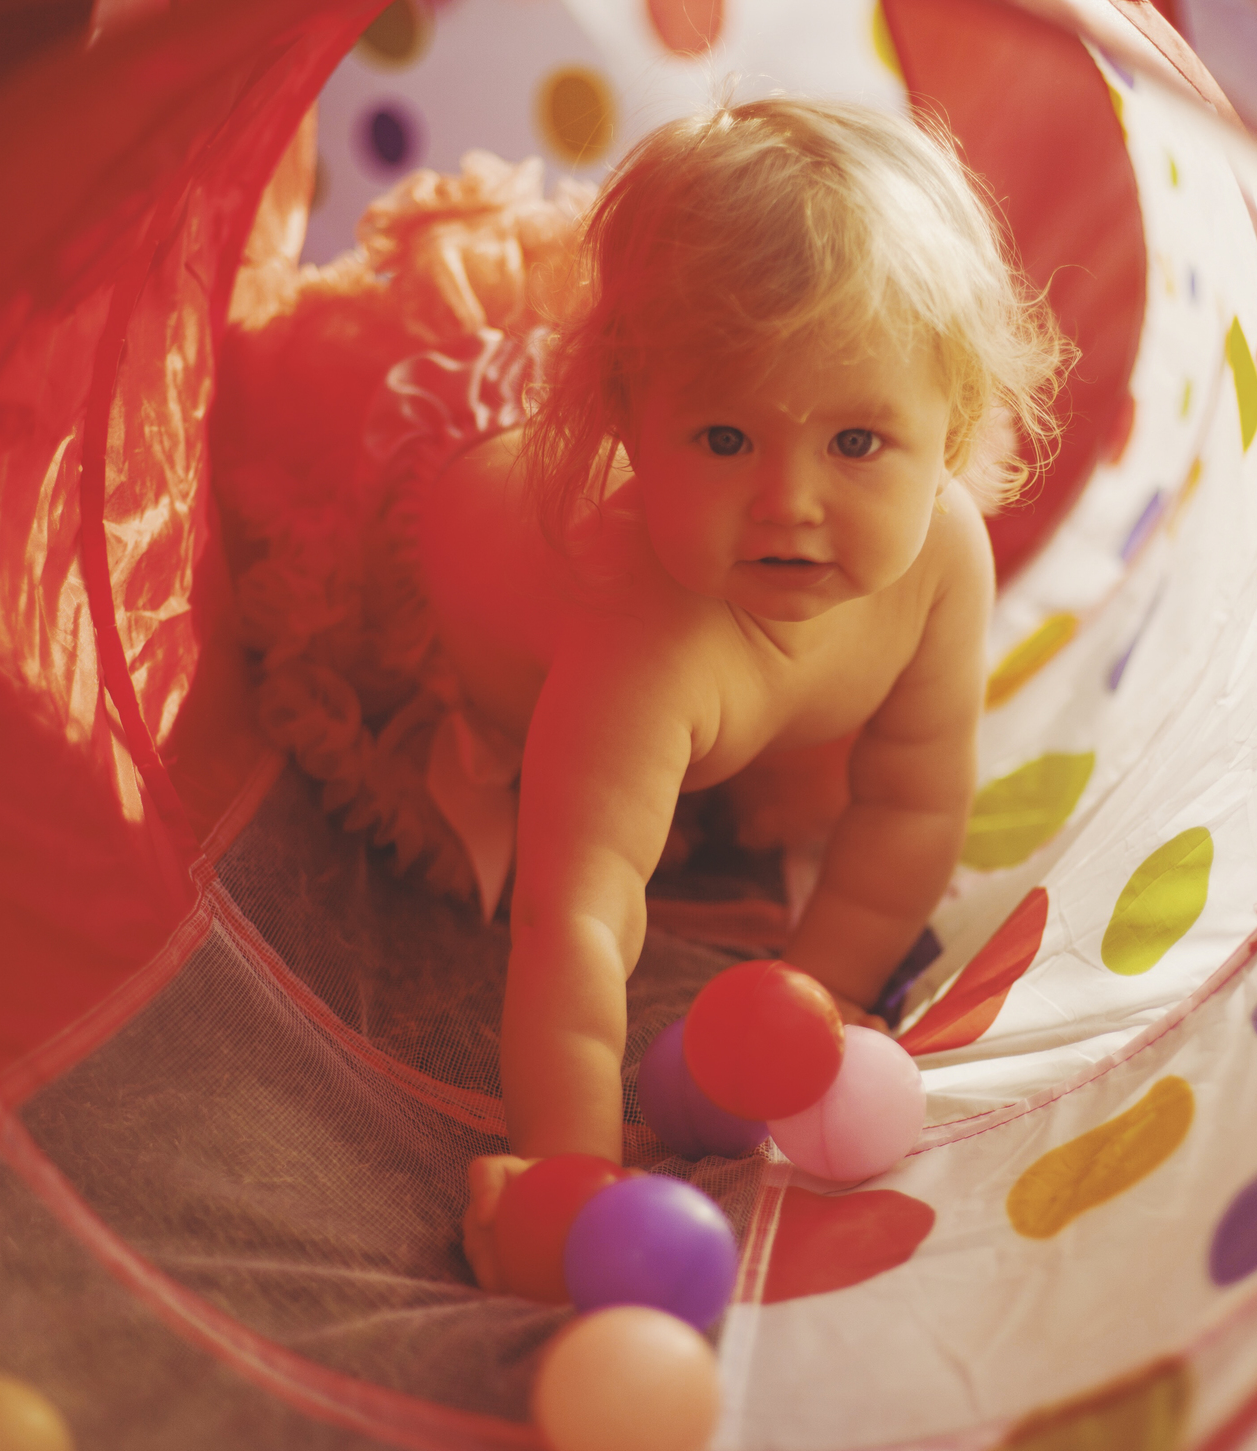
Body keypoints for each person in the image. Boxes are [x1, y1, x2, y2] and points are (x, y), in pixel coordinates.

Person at [375, 97, 1064, 1290]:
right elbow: (575, 919)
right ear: (632, 427)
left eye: (856, 443)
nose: (790, 501)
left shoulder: (942, 556)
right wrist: (565, 1176)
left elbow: (910, 800)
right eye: (725, 440)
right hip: (418, 575)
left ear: (951, 430)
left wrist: (826, 997)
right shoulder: (642, 637)